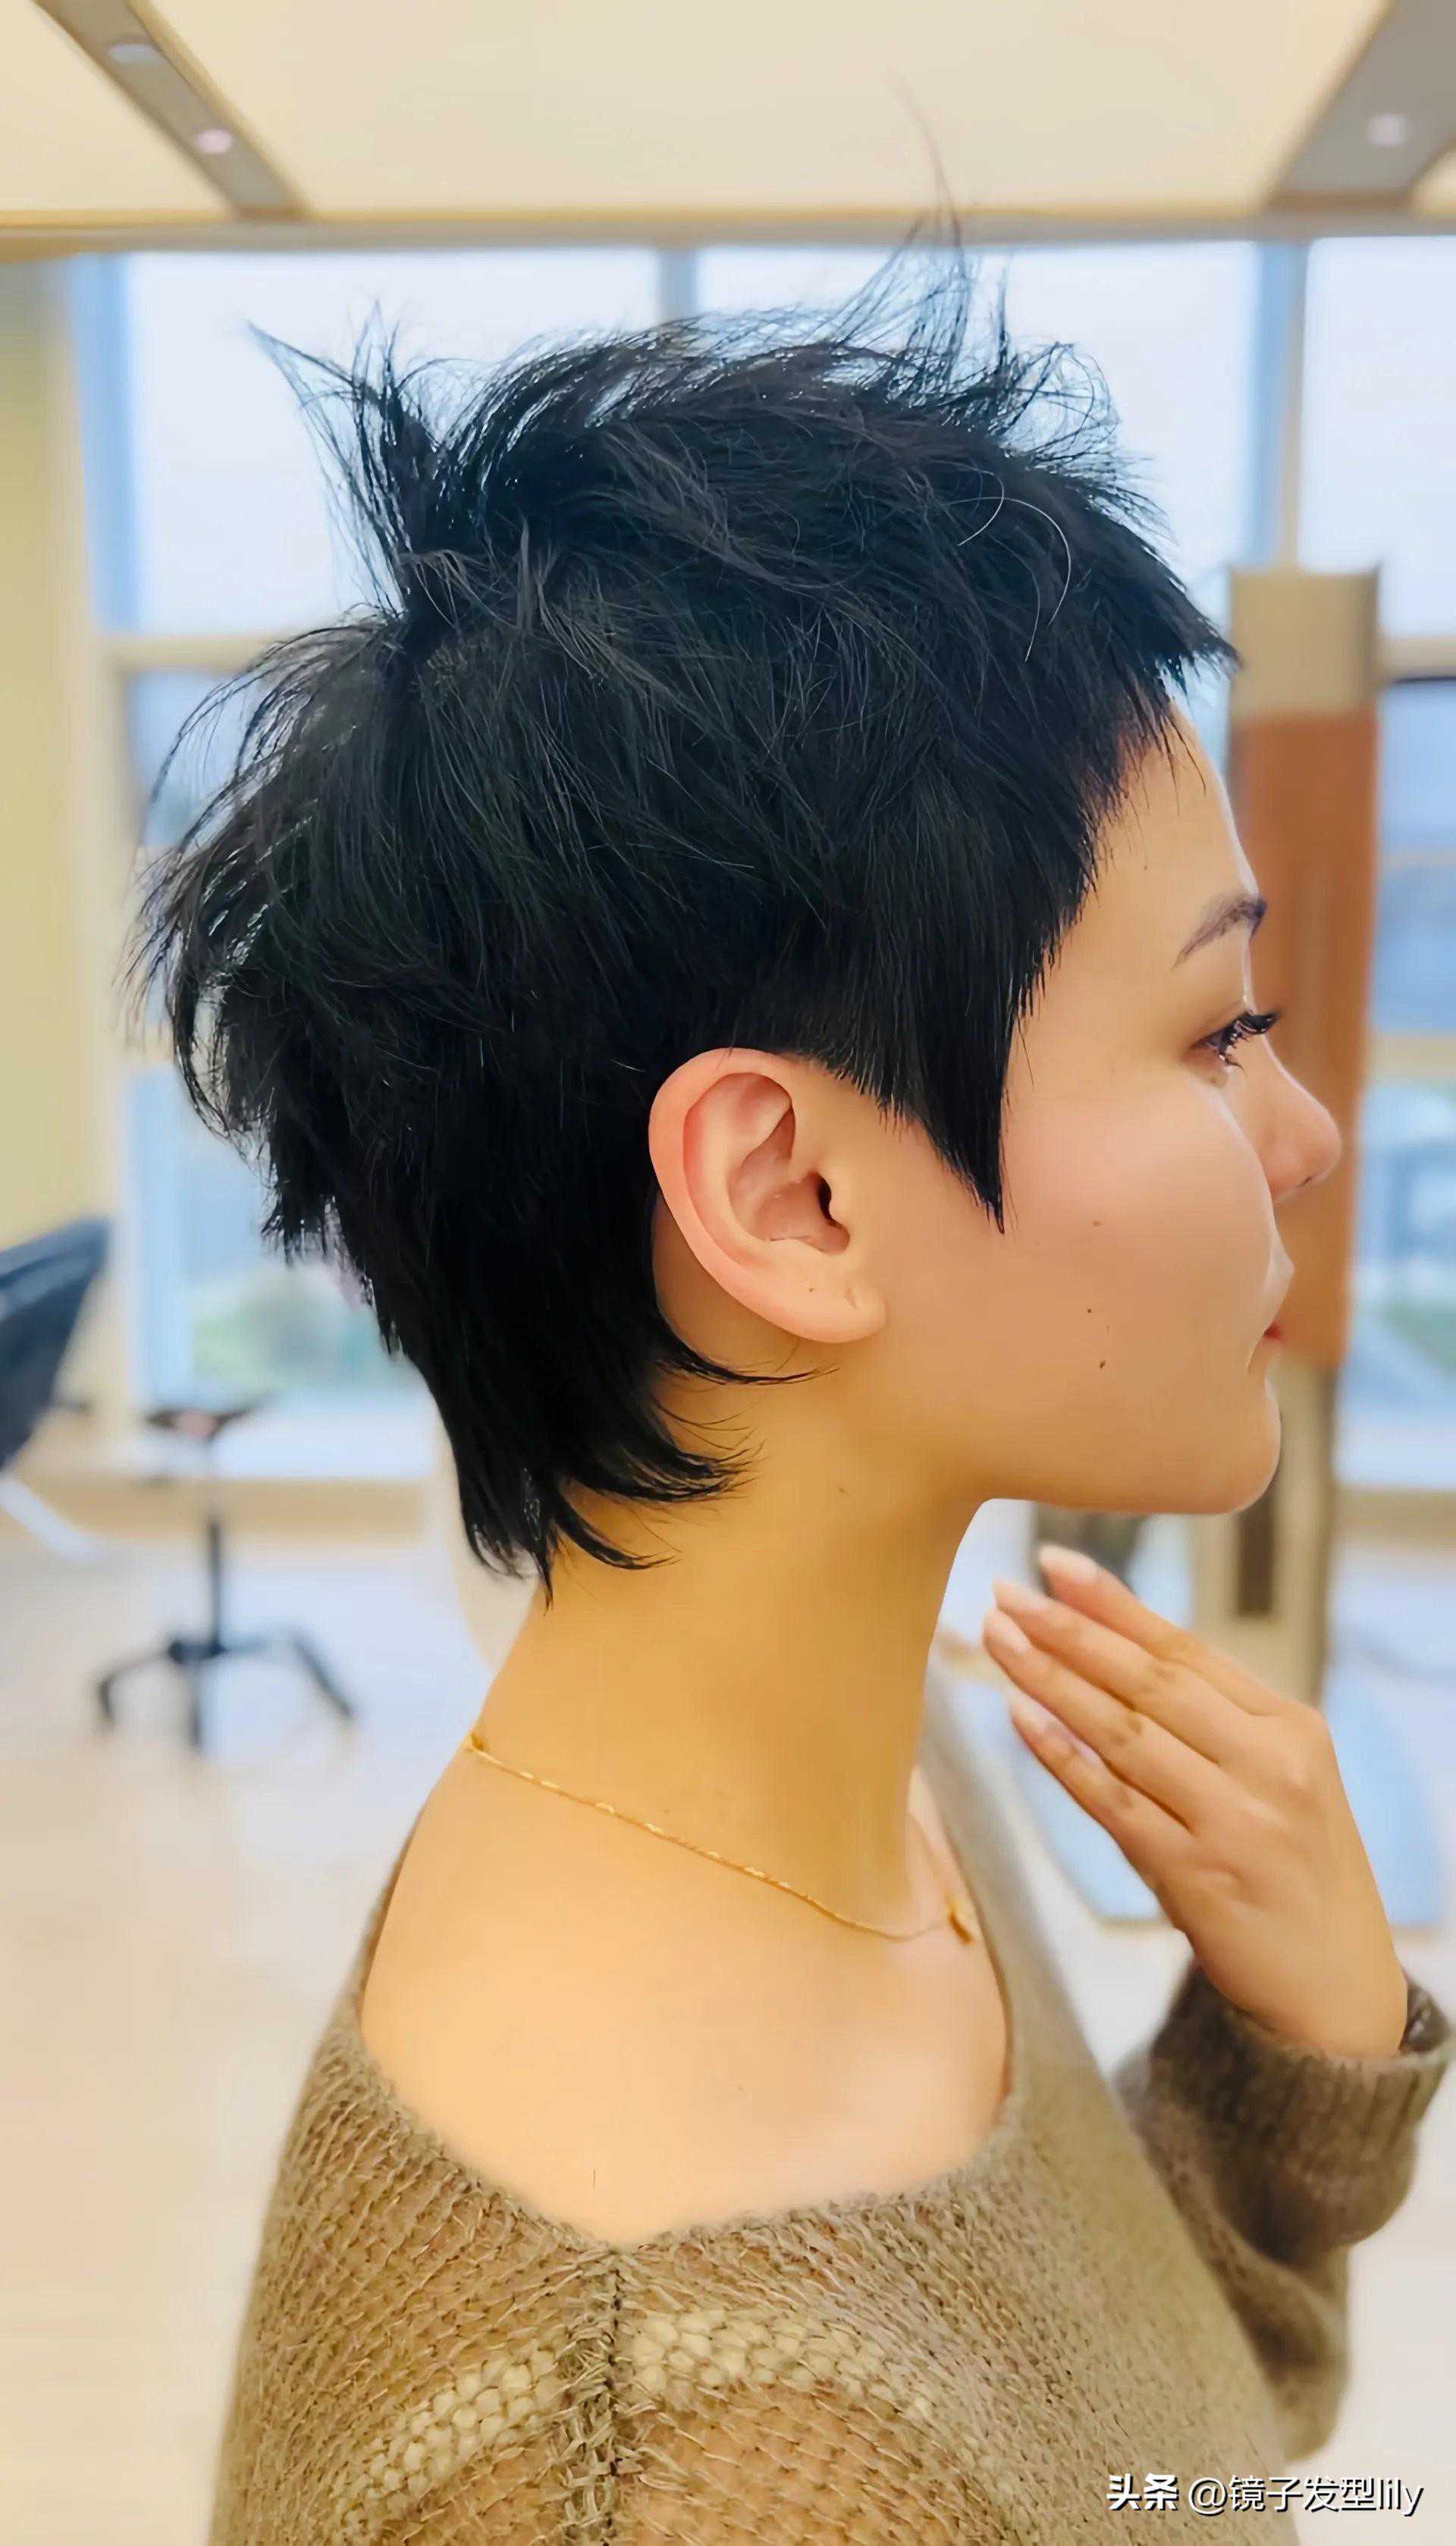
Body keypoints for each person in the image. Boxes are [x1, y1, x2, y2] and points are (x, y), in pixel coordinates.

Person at [135, 225, 1451, 2543]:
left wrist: (1294, 2070)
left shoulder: (846, 1762)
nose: (1307, 1134)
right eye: (1214, 1028)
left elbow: (1108, 2472)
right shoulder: (652, 2468)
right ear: (793, 1194)